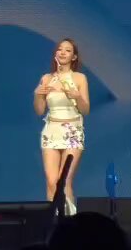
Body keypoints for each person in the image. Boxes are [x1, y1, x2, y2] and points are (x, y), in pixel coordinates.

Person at [33, 38, 90, 214]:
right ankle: (54, 221)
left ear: (74, 56)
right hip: (51, 131)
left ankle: (70, 223)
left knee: (63, 181)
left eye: (67, 50)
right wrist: (37, 95)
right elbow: (39, 111)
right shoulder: (47, 78)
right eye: (60, 49)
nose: (63, 53)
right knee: (51, 182)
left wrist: (77, 96)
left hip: (72, 131)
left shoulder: (79, 78)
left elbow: (85, 110)